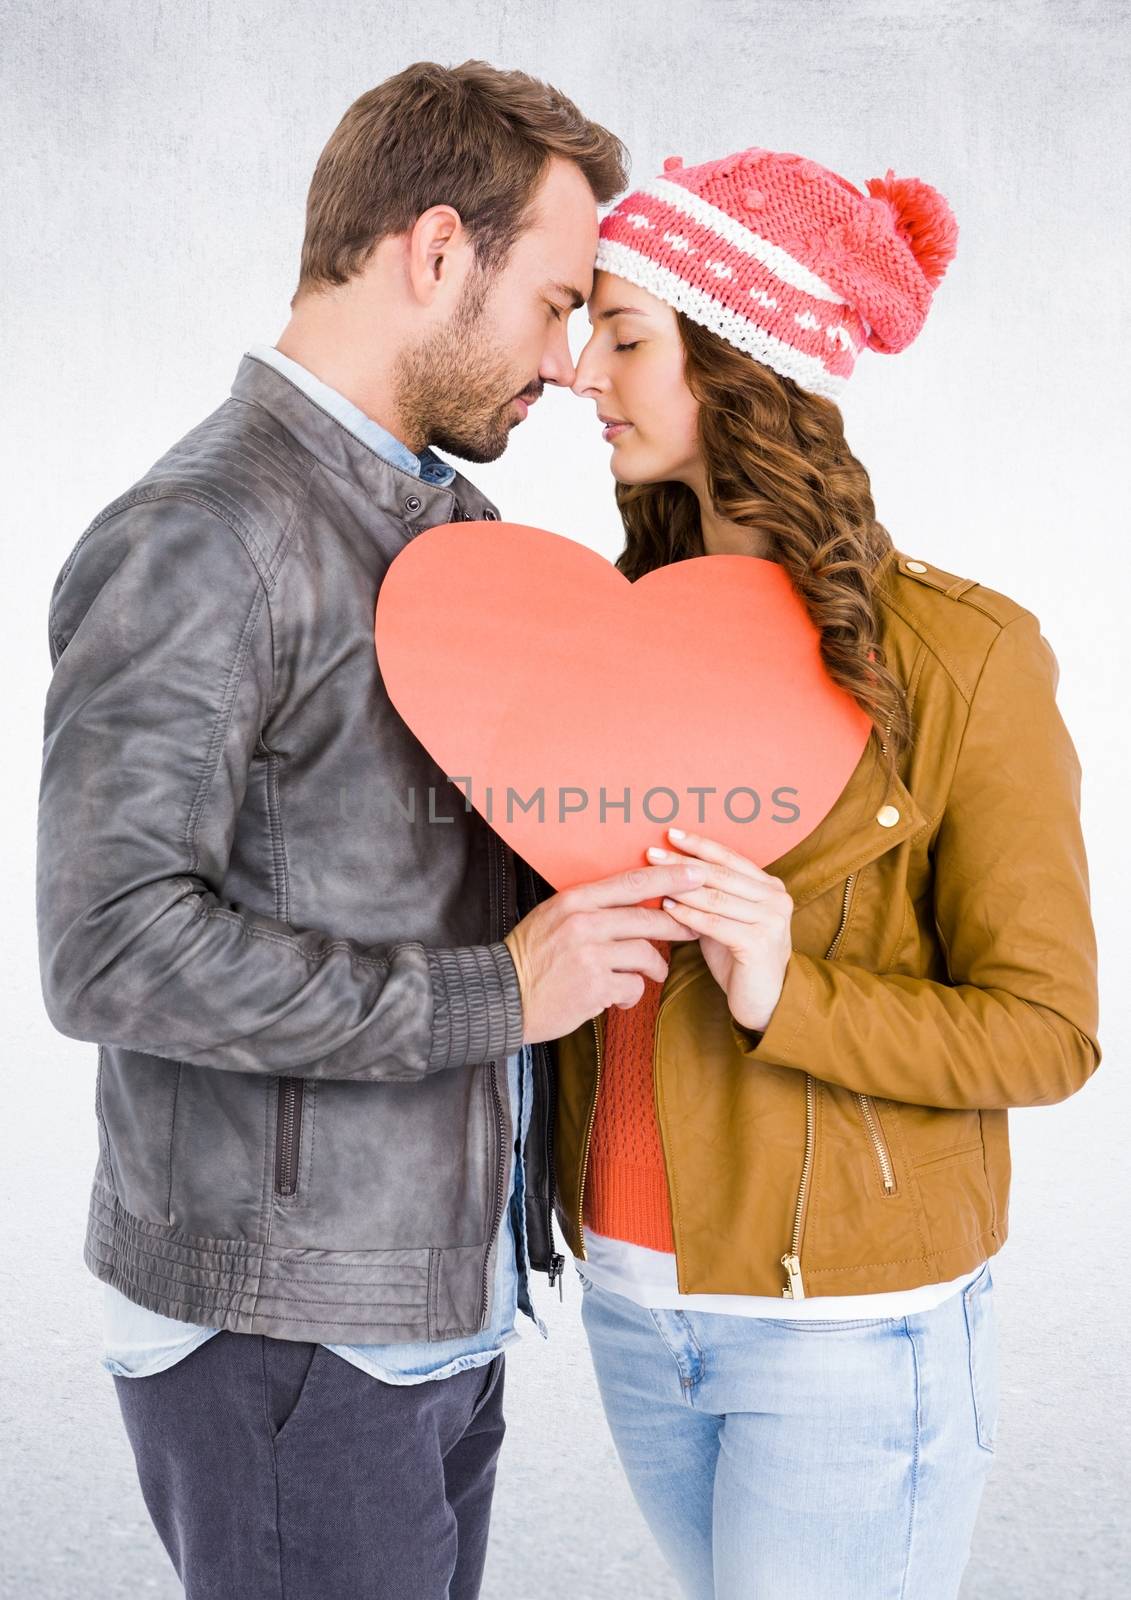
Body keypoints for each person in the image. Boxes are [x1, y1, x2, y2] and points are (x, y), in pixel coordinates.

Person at [34, 61, 701, 1600]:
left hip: (434, 1310)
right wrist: (497, 998)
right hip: (287, 1333)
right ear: (436, 250)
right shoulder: (205, 533)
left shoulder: (457, 539)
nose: (566, 361)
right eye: (552, 302)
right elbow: (107, 945)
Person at [517, 146, 1102, 1598]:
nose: (585, 374)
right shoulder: (607, 643)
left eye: (630, 337)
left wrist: (796, 987)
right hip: (636, 1310)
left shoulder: (966, 661)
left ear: (744, 365)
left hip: (848, 1336)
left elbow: (1050, 1032)